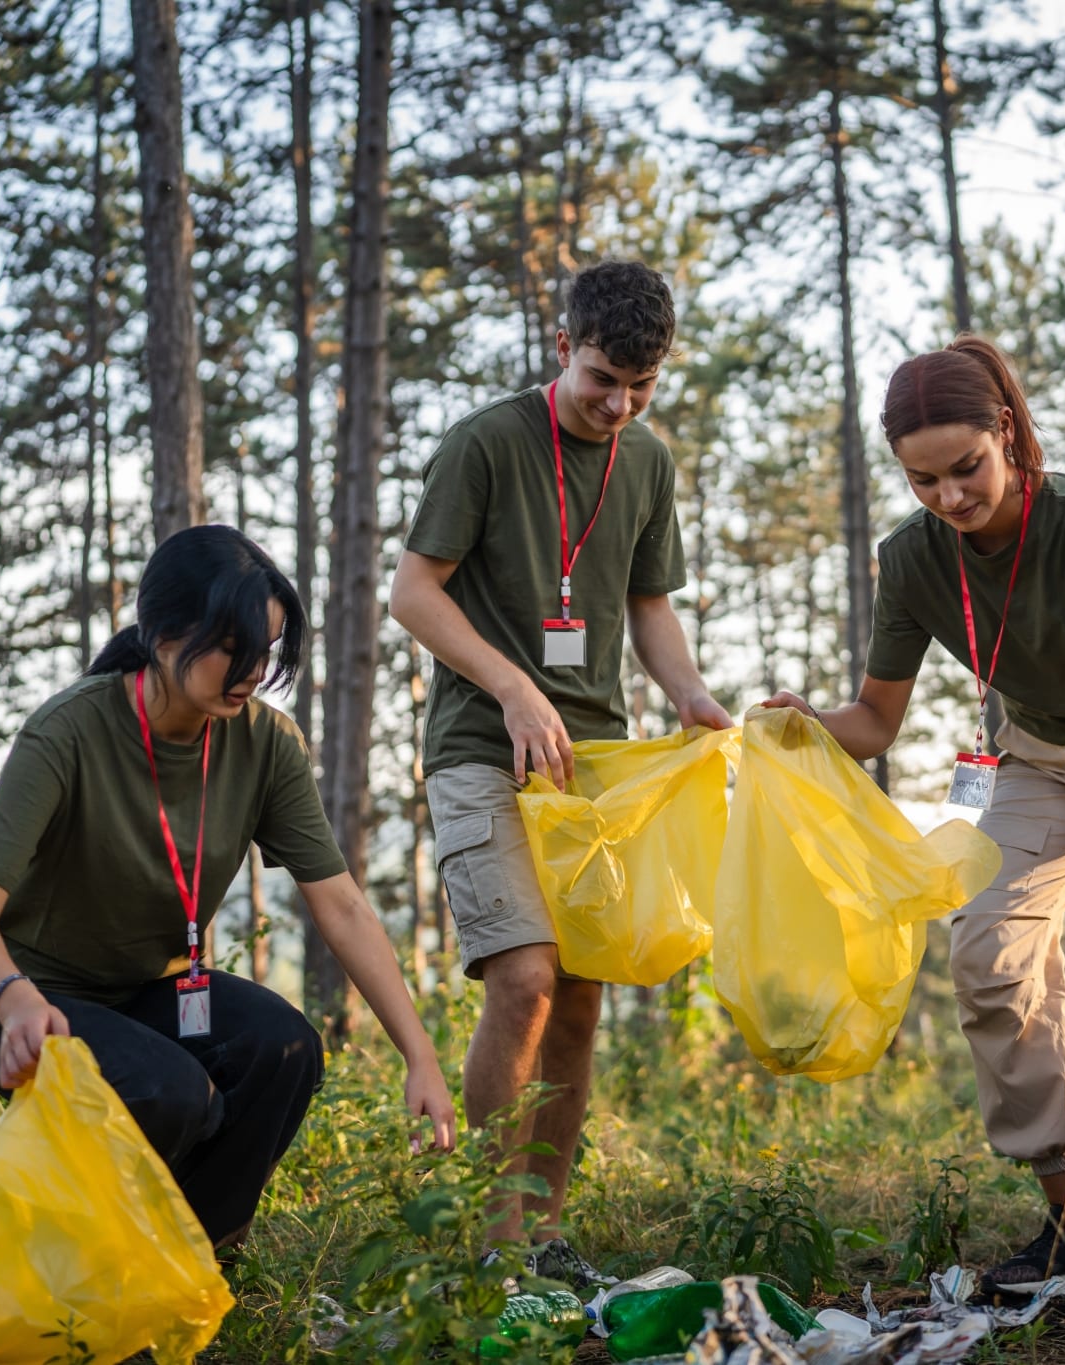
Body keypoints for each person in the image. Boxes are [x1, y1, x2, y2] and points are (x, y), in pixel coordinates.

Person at [762, 336, 1065, 1322]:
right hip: (1035, 756)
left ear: (1011, 437)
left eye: (966, 468)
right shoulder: (907, 561)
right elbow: (874, 724)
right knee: (986, 952)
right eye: (921, 480)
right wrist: (800, 722)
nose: (947, 496)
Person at [0, 525, 455, 1253]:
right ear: (162, 633)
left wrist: (419, 1054)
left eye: (266, 650)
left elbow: (340, 904)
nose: (249, 671)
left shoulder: (265, 744)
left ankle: (187, 1266)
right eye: (231, 647)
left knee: (286, 1050)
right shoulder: (69, 731)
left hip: (148, 991)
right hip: (23, 999)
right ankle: (53, 1264)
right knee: (168, 1093)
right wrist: (15, 997)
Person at [387, 260, 729, 1287]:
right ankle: (485, 1240)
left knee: (578, 999)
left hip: (593, 765)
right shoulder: (485, 444)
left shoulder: (646, 463)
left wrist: (691, 696)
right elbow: (412, 594)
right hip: (480, 750)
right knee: (524, 979)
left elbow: (648, 606)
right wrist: (510, 688)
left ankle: (541, 1230)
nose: (618, 404)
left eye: (642, 384)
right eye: (600, 379)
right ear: (560, 348)